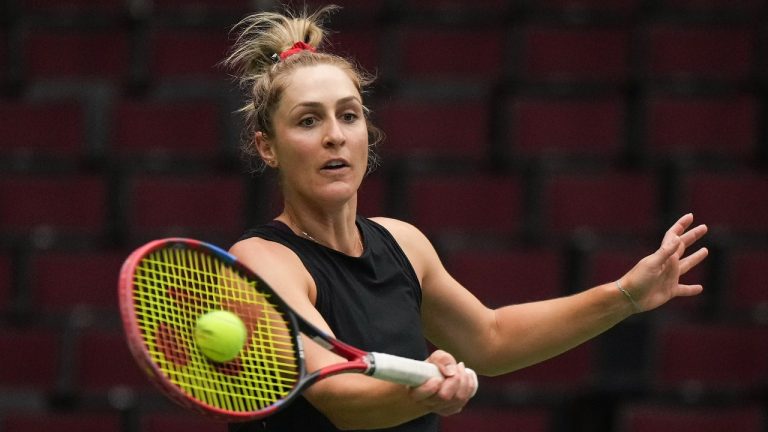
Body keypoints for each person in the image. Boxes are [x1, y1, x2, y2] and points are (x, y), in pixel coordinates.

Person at [224, 5, 709, 432]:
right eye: (308, 121)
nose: (335, 136)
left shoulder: (403, 244)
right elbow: (339, 399)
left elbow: (490, 340)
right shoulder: (263, 260)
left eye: (348, 116)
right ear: (267, 146)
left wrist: (625, 294)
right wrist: (420, 391)